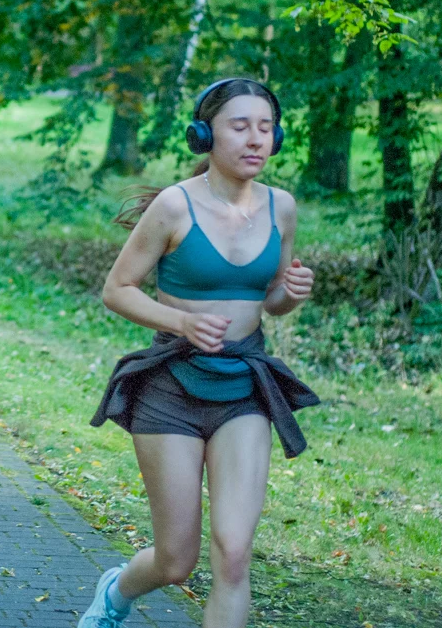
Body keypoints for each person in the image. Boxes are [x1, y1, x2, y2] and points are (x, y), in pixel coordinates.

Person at [81, 79, 319, 628]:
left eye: (266, 127)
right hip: (171, 389)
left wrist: (291, 295)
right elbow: (117, 289)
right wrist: (182, 322)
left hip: (245, 389)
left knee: (234, 554)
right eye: (240, 126)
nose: (256, 139)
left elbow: (273, 300)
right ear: (204, 134)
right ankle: (117, 592)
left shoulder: (281, 208)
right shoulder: (174, 206)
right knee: (176, 561)